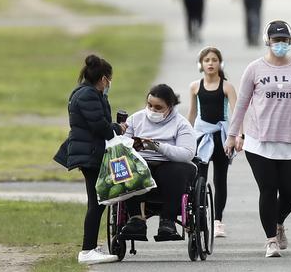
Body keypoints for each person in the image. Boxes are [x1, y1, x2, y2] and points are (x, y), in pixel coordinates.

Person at [224, 20, 291, 258]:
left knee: (290, 193)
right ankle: (271, 241)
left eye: (284, 40)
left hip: (289, 140)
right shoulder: (255, 68)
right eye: (276, 40)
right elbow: (242, 104)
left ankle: (278, 222)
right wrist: (233, 135)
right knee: (268, 189)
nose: (280, 44)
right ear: (268, 41)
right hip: (259, 141)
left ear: (290, 41)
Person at [61, 55, 123, 265]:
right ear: (104, 78)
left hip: (90, 152)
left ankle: (90, 247)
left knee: (97, 202)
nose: (109, 84)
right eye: (109, 79)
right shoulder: (87, 95)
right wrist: (117, 128)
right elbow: (100, 127)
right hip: (90, 154)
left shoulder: (88, 92)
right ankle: (87, 250)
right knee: (97, 203)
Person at [119, 84, 197, 240]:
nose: (152, 110)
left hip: (169, 164)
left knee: (174, 172)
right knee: (127, 167)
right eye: (150, 105)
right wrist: (132, 145)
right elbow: (121, 145)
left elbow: (187, 154)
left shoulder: (181, 124)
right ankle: (136, 219)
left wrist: (158, 147)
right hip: (142, 162)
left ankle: (167, 221)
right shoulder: (135, 119)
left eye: (158, 107)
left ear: (170, 107)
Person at [187, 47, 239, 238]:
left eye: (214, 60)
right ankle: (199, 216)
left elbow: (236, 112)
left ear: (220, 63)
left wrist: (237, 135)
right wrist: (186, 135)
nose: (210, 63)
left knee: (220, 179)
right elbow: (192, 113)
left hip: (221, 138)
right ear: (200, 64)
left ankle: (217, 221)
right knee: (199, 178)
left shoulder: (227, 86)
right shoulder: (195, 86)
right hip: (202, 137)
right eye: (207, 60)